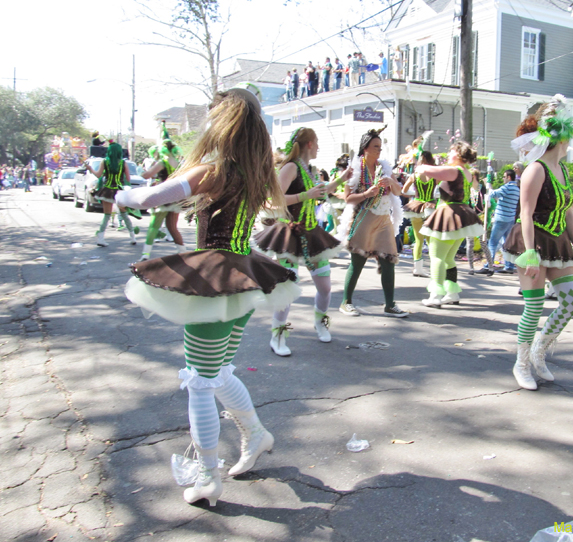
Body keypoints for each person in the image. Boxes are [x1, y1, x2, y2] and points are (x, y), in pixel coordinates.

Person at [116, 87, 300, 506]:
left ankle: (207, 475)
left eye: (212, 114)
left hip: (217, 279)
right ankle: (256, 435)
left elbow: (147, 198)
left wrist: (117, 194)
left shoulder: (215, 170)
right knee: (217, 372)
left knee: (200, 380)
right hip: (243, 275)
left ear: (224, 121)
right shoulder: (258, 172)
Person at [502, 96, 573, 390]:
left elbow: (569, 212)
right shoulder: (535, 169)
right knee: (534, 307)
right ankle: (521, 363)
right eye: (569, 135)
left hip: (558, 241)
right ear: (561, 137)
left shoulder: (562, 171)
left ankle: (540, 350)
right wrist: (529, 254)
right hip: (533, 240)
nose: (571, 141)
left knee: (570, 303)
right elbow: (525, 213)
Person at [254, 127, 352, 356]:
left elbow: (320, 192)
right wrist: (303, 196)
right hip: (289, 235)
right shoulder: (290, 167)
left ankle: (320, 323)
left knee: (325, 288)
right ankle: (277, 337)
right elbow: (271, 201)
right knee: (287, 290)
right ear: (309, 144)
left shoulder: (310, 169)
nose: (318, 147)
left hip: (312, 235)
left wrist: (341, 178)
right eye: (316, 142)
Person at [337, 127, 408, 317]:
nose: (379, 150)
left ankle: (390, 304)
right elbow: (347, 198)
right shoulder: (354, 169)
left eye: (380, 146)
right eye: (376, 146)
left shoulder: (384, 167)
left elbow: (399, 192)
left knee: (388, 260)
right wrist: (366, 194)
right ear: (365, 148)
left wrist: (391, 183)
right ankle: (346, 302)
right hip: (364, 218)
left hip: (384, 219)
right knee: (358, 261)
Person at [416, 142, 483, 306]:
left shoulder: (455, 170)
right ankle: (452, 293)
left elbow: (427, 170)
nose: (448, 154)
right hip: (462, 216)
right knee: (448, 259)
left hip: (449, 214)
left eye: (451, 151)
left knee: (436, 257)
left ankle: (435, 296)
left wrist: (417, 162)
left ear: (459, 154)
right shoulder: (467, 172)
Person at [138, 123, 185, 261]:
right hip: (176, 197)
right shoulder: (178, 162)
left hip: (163, 196)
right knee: (172, 227)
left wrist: (140, 171)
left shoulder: (163, 162)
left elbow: (147, 175)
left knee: (154, 225)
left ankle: (145, 255)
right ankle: (183, 254)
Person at [84, 141, 138, 247]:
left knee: (107, 216)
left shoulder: (104, 162)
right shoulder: (123, 163)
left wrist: (90, 169)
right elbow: (128, 178)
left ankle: (100, 238)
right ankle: (132, 237)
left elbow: (98, 175)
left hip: (107, 191)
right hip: (119, 191)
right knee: (124, 215)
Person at [401, 150, 437, 277]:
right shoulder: (435, 176)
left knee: (418, 240)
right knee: (431, 240)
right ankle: (435, 268)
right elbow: (444, 190)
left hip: (416, 207)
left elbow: (404, 191)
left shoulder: (414, 175)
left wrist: (415, 194)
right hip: (430, 207)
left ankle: (418, 268)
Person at [478, 169, 520, 275]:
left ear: (509, 177)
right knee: (506, 243)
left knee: (492, 242)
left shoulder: (507, 187)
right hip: (510, 219)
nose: (503, 178)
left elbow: (492, 194)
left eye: (504, 176)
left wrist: (488, 184)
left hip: (501, 218)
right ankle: (509, 265)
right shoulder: (516, 189)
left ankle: (488, 265)